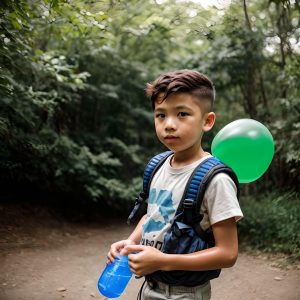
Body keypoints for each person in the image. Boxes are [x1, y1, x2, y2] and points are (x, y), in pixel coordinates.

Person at [107, 69, 243, 300]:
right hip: (150, 286)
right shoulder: (157, 166)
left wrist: (162, 261)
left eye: (182, 114)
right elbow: (153, 215)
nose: (169, 124)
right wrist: (129, 243)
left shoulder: (215, 180)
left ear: (207, 121)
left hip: (184, 294)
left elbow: (227, 253)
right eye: (161, 115)